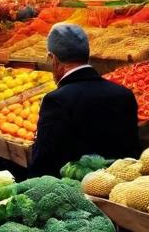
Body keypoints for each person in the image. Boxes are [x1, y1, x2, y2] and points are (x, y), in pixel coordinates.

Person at [29, 23, 141, 177]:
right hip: (119, 190)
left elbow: (44, 161)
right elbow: (132, 153)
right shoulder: (124, 94)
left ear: (52, 59)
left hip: (76, 193)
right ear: (87, 55)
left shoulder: (56, 101)